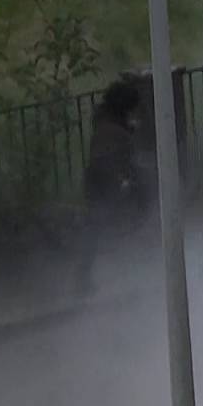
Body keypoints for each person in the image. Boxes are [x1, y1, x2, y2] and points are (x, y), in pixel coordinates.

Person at [75, 79, 148, 295]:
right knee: (104, 227)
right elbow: (105, 158)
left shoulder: (105, 118)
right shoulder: (112, 131)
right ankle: (85, 280)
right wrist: (122, 181)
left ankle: (85, 278)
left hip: (100, 183)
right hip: (106, 184)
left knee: (98, 230)